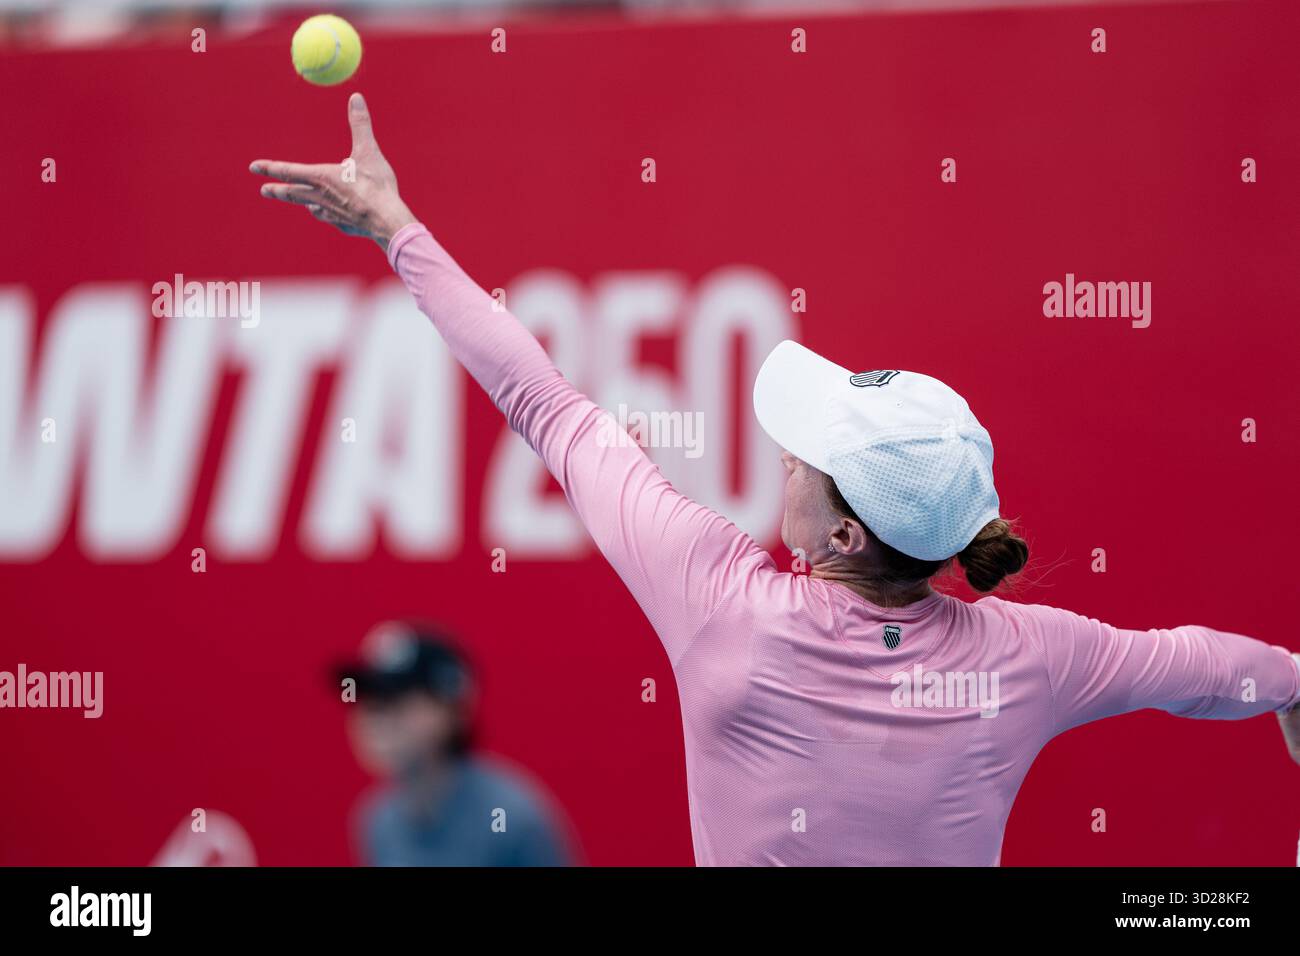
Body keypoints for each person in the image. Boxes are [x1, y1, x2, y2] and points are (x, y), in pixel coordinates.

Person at [254, 95, 1300, 866]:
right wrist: (1293, 681)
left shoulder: (720, 601)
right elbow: (1196, 666)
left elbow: (544, 401)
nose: (786, 455)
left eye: (807, 455)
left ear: (842, 534)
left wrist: (398, 231)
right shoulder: (1031, 658)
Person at [337, 621, 574, 866]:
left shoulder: (512, 817)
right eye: (367, 699)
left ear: (451, 712)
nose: (376, 717)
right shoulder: (377, 820)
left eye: (396, 699)